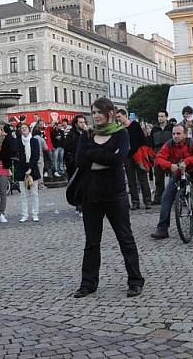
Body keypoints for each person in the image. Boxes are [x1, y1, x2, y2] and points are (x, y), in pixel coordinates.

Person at [73, 97, 144, 299]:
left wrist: (93, 156)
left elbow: (118, 159)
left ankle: (135, 280)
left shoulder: (121, 134)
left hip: (115, 194)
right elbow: (80, 161)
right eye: (93, 112)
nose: (95, 116)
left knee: (125, 239)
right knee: (92, 242)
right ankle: (88, 283)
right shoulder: (86, 135)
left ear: (110, 113)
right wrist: (102, 157)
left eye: (99, 112)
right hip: (91, 195)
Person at [150, 124, 193, 239]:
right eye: (173, 134)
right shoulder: (169, 144)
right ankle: (162, 229)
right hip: (178, 172)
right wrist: (170, 165)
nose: (175, 136)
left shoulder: (191, 142)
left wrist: (187, 161)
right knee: (166, 197)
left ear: (185, 134)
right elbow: (158, 158)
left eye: (178, 134)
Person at [116, 109, 152, 210]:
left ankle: (147, 200)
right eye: (117, 117)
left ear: (124, 115)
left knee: (143, 179)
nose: (118, 119)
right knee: (131, 180)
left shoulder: (135, 125)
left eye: (119, 116)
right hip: (127, 157)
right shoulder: (119, 128)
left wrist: (134, 150)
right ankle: (135, 201)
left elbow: (142, 140)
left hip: (138, 155)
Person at [16, 122, 42, 222]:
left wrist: (30, 168)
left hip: (33, 168)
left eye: (25, 127)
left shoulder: (34, 141)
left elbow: (36, 155)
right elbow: (17, 155)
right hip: (21, 169)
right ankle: (24, 214)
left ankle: (35, 213)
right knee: (23, 194)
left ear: (29, 129)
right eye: (21, 128)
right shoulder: (18, 141)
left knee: (34, 193)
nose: (23, 129)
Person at [64, 114, 88, 216]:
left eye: (84, 122)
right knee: (77, 186)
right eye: (80, 122)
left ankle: (83, 205)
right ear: (76, 124)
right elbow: (67, 149)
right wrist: (70, 162)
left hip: (85, 163)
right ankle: (79, 206)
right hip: (74, 164)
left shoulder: (87, 133)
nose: (83, 124)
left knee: (85, 185)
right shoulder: (71, 135)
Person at [150, 111, 174, 204]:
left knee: (173, 176)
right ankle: (158, 198)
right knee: (158, 177)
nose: (160, 118)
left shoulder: (171, 128)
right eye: (159, 116)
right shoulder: (154, 129)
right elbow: (151, 142)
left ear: (166, 117)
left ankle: (172, 196)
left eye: (162, 116)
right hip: (158, 154)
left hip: (169, 154)